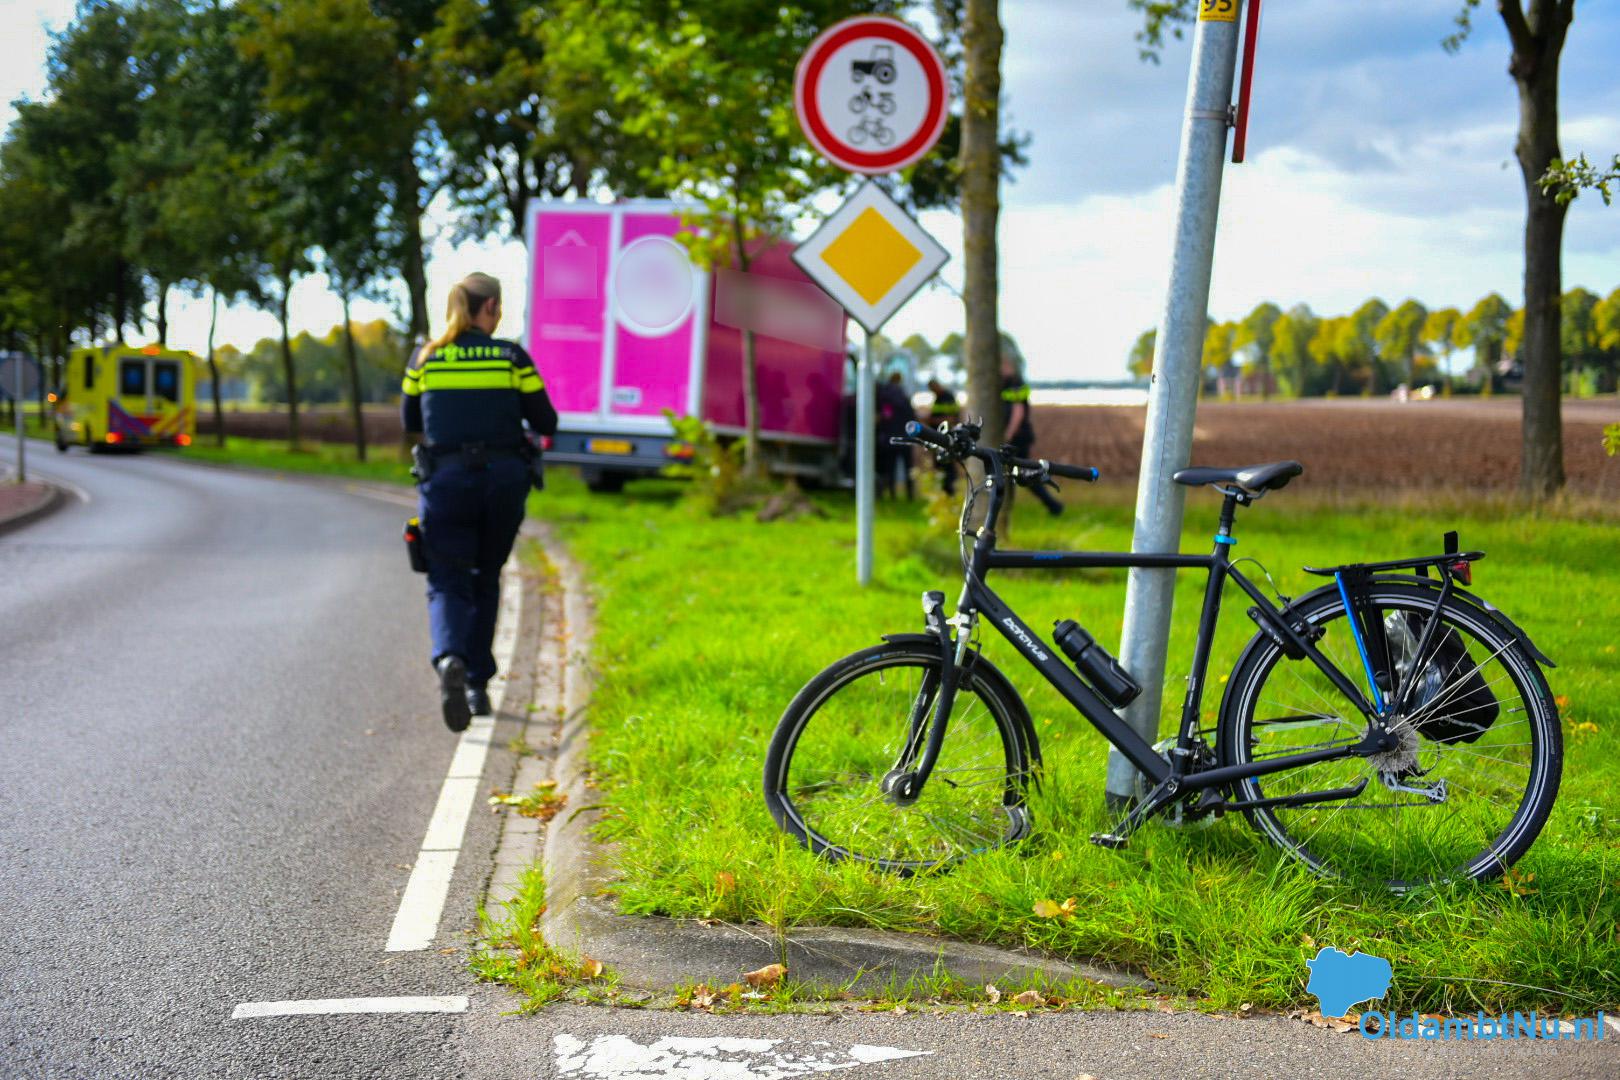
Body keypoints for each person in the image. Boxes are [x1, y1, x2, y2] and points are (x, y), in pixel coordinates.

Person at [402, 273, 557, 731]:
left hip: (446, 483)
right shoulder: (511, 356)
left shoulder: (425, 357)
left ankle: (449, 656)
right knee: (486, 577)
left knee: (448, 580)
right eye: (500, 306)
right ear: (488, 306)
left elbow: (411, 420)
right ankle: (476, 685)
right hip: (504, 482)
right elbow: (547, 419)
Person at [1001, 348, 1062, 517]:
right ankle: (1051, 506)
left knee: (1022, 474)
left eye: (1003, 365)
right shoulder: (1005, 383)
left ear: (1009, 365)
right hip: (1015, 436)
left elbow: (1018, 410)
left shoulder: (1015, 383)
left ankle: (1054, 506)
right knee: (1014, 474)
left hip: (1017, 437)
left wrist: (1009, 434)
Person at [875, 371, 915, 500]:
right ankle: (910, 494)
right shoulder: (904, 396)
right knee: (908, 467)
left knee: (890, 467)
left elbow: (885, 416)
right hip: (905, 437)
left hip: (890, 437)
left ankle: (892, 494)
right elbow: (911, 416)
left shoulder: (885, 396)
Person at [925, 377, 960, 494]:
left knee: (947, 463)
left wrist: (931, 420)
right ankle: (944, 490)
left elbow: (951, 418)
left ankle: (949, 490)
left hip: (946, 437)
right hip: (938, 436)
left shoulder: (947, 398)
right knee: (940, 464)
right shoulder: (938, 398)